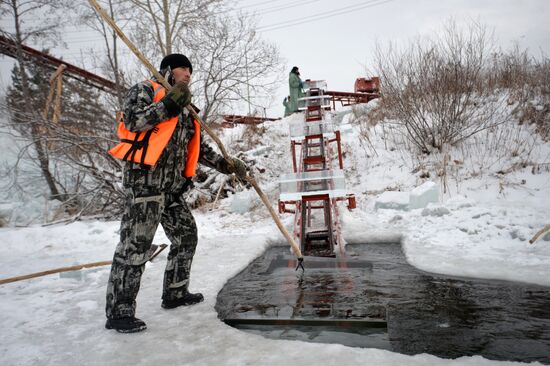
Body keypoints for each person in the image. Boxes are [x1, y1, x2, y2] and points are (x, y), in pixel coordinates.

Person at [105, 53, 248, 333]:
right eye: (183, 69)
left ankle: (175, 293)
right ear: (168, 71)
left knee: (186, 236)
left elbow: (199, 149)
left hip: (171, 189)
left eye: (191, 72)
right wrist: (169, 104)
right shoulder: (146, 90)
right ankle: (119, 311)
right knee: (135, 247)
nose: (188, 75)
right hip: (146, 184)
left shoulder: (187, 109)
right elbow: (133, 121)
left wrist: (227, 165)